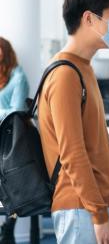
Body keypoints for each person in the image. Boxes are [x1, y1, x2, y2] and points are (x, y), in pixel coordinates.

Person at [38, 0, 109, 244]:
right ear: (89, 18)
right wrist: (99, 215)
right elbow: (72, 152)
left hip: (95, 203)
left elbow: (94, 145)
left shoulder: (83, 68)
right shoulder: (66, 73)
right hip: (82, 208)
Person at [0, 37, 29, 244]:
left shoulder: (18, 77)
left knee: (13, 183)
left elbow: (17, 110)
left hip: (10, 139)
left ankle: (9, 224)